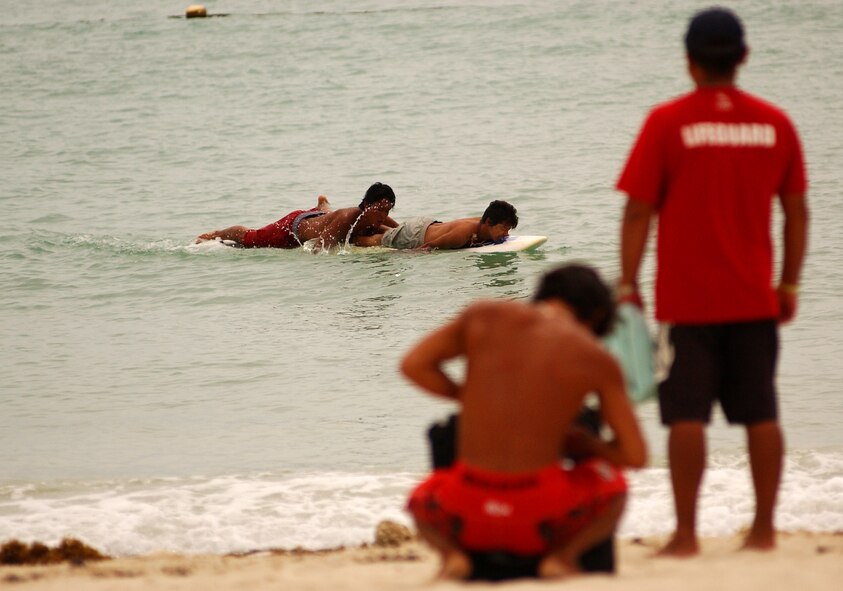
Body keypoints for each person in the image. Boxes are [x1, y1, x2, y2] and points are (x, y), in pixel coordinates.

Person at [616, 7, 808, 556]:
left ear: (690, 61)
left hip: (687, 302)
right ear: (743, 57)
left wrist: (628, 284)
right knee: (762, 412)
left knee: (686, 416)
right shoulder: (776, 123)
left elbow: (637, 212)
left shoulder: (667, 122)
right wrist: (789, 286)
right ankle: (765, 532)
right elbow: (797, 212)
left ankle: (684, 535)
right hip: (754, 297)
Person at [403, 264, 647, 580]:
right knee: (613, 485)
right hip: (542, 518)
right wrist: (589, 444)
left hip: (466, 511)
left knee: (423, 495)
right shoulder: (595, 358)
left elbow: (414, 366)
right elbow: (634, 455)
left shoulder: (485, 316)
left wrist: (472, 398)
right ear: (597, 316)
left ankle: (452, 556)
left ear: (543, 293)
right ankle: (562, 558)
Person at [194, 182, 398, 250]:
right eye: (380, 209)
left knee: (327, 214)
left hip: (318, 217)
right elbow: (320, 249)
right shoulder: (348, 218)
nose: (384, 215)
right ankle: (216, 233)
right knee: (252, 238)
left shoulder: (376, 216)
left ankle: (323, 205)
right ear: (367, 205)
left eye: (387, 210)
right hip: (293, 229)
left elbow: (399, 231)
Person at [353, 200, 518, 250]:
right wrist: (403, 254)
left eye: (508, 229)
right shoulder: (463, 234)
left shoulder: (481, 222)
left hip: (427, 225)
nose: (506, 234)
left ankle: (374, 226)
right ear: (489, 222)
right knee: (376, 241)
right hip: (415, 236)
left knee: (392, 233)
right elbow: (428, 247)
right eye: (503, 228)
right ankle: (352, 236)